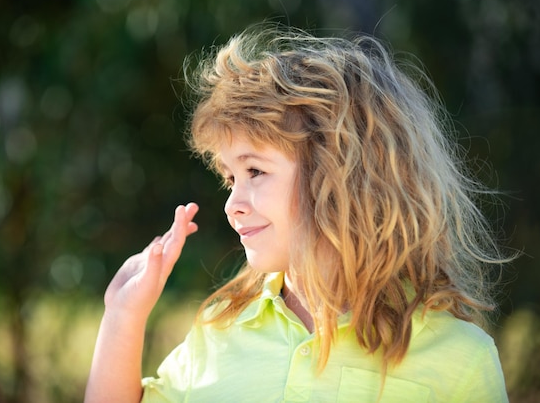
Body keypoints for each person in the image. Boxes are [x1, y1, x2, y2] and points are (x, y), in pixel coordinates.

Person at [84, 25, 513, 403]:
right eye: (230, 178)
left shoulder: (461, 358)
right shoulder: (216, 334)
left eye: (255, 170)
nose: (232, 204)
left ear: (341, 175)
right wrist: (123, 318)